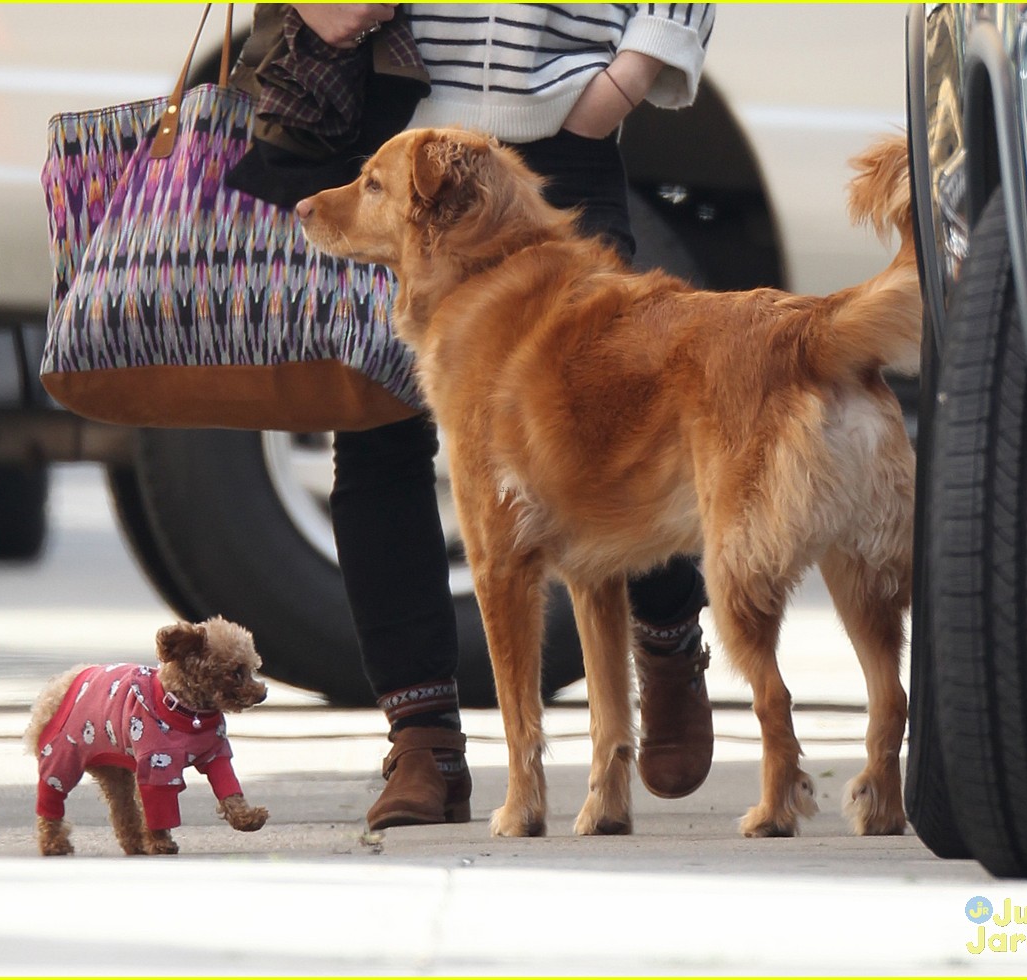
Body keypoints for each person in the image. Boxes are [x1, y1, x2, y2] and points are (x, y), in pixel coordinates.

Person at [290, 3, 717, 830]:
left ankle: (663, 636)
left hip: (560, 137)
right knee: (376, 441)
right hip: (396, 135)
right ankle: (424, 743)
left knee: (624, 422)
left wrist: (628, 75)